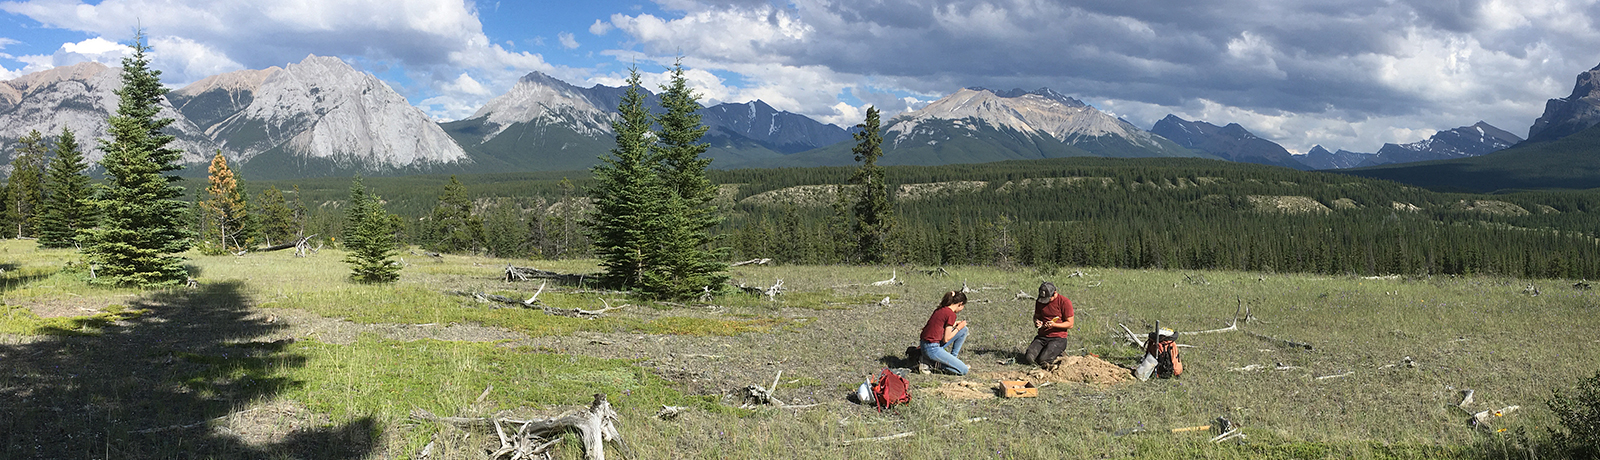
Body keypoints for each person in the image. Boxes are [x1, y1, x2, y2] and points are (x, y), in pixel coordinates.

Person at [918, 290, 970, 375]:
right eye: (963, 306)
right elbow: (946, 339)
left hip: (925, 344)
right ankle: (933, 364)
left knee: (964, 330)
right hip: (932, 348)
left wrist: (955, 325)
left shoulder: (941, 309)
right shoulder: (951, 314)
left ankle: (953, 358)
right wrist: (958, 328)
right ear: (960, 304)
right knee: (964, 370)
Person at [1024, 282, 1074, 366]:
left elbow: (1070, 324)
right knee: (1029, 358)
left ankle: (1059, 355)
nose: (1045, 301)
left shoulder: (1064, 302)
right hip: (1042, 336)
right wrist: (1037, 321)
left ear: (1054, 293)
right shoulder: (1040, 301)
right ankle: (1046, 353)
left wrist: (1054, 325)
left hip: (1058, 338)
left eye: (1048, 298)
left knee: (1044, 360)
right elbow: (1036, 316)